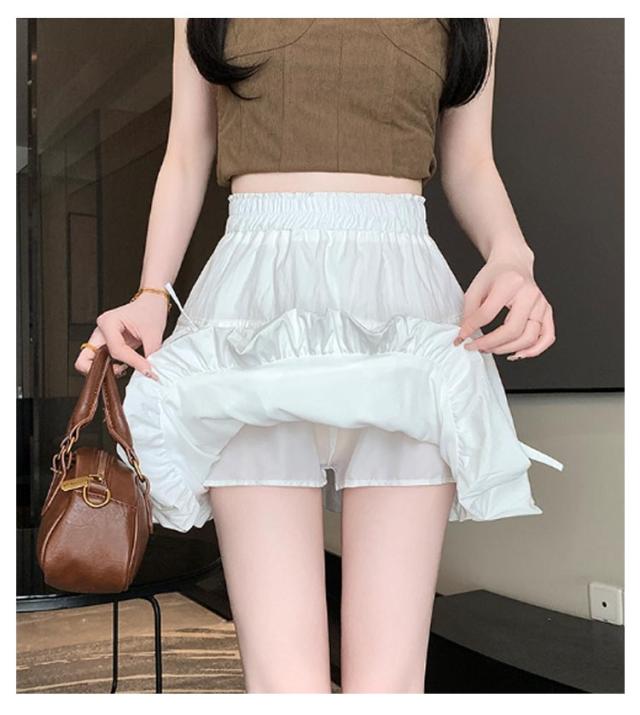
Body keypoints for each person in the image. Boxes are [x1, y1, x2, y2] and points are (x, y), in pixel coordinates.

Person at [74, 18, 563, 694]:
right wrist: (152, 292)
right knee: (284, 683)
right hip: (254, 306)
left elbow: (470, 159)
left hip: (403, 311)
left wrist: (513, 255)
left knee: (390, 684)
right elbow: (186, 152)